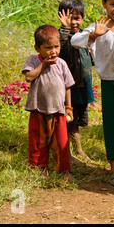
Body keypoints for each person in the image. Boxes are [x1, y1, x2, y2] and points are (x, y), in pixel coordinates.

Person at [71, 0, 114, 188]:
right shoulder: (98, 27)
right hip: (110, 83)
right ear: (104, 4)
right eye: (112, 4)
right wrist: (93, 35)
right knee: (113, 125)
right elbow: (75, 41)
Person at [22, 25, 75, 181]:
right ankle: (40, 169)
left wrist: (68, 107)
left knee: (61, 141)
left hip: (58, 109)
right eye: (48, 48)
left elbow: (67, 86)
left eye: (56, 47)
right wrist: (43, 65)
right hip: (38, 108)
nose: (53, 51)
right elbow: (29, 77)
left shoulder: (61, 64)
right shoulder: (33, 60)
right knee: (38, 141)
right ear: (37, 48)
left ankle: (63, 171)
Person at [57, 0, 95, 164]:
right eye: (69, 17)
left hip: (82, 85)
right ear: (61, 17)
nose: (73, 22)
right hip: (68, 88)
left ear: (82, 19)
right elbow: (62, 50)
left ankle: (77, 150)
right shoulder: (60, 37)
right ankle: (69, 152)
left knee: (77, 118)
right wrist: (64, 30)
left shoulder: (84, 36)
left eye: (77, 18)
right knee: (68, 118)